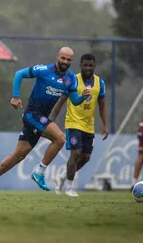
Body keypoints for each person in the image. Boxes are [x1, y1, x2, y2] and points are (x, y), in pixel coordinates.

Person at [0, 47, 90, 196]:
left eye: (68, 60)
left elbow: (75, 100)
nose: (65, 62)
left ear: (72, 61)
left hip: (41, 118)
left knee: (18, 155)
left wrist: (83, 96)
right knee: (60, 139)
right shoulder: (44, 70)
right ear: (57, 57)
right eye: (63, 58)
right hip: (32, 115)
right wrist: (15, 96)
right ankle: (39, 172)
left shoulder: (71, 78)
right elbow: (19, 74)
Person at [51, 53, 108, 197]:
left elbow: (102, 107)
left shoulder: (99, 83)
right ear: (80, 66)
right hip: (73, 122)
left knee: (85, 158)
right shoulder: (73, 80)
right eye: (85, 65)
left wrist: (105, 126)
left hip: (89, 126)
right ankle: (70, 188)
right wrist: (50, 120)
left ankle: (62, 177)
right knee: (75, 154)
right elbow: (61, 101)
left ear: (94, 66)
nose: (88, 68)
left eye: (91, 65)